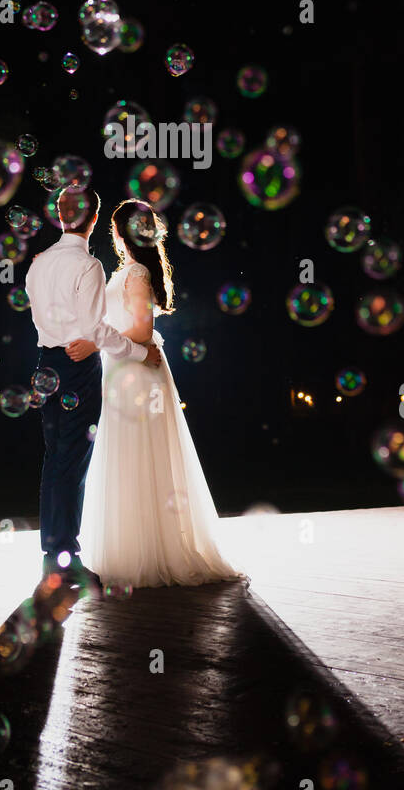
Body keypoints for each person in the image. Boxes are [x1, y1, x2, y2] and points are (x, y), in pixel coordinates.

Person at [66, 198, 246, 590]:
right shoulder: (129, 271)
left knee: (140, 456)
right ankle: (129, 548)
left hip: (137, 372)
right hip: (124, 371)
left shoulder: (137, 274)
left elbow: (143, 332)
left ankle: (151, 553)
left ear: (118, 232)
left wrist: (98, 343)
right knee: (126, 456)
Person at [25, 186, 161, 592]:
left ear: (59, 215)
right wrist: (138, 352)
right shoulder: (88, 265)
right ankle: (65, 561)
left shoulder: (38, 264)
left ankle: (54, 557)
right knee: (71, 465)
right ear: (94, 219)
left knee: (54, 463)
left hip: (45, 365)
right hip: (77, 367)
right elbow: (92, 331)